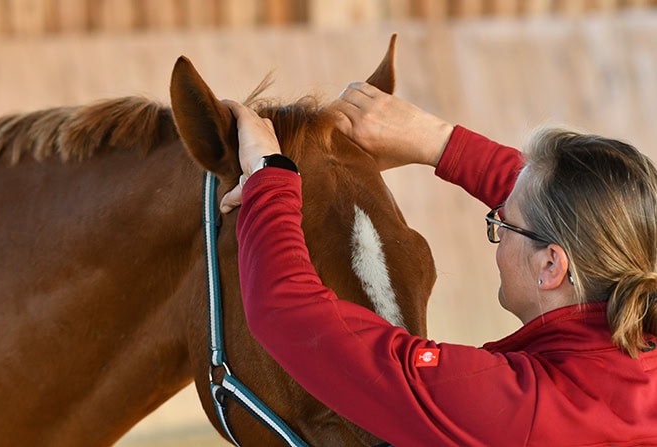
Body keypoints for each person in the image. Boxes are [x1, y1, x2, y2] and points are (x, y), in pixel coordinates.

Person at [219, 81, 657, 446]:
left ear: (551, 267)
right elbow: (599, 220)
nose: (498, 232)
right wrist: (442, 143)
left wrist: (268, 175)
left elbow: (287, 313)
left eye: (504, 224)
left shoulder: (520, 411)